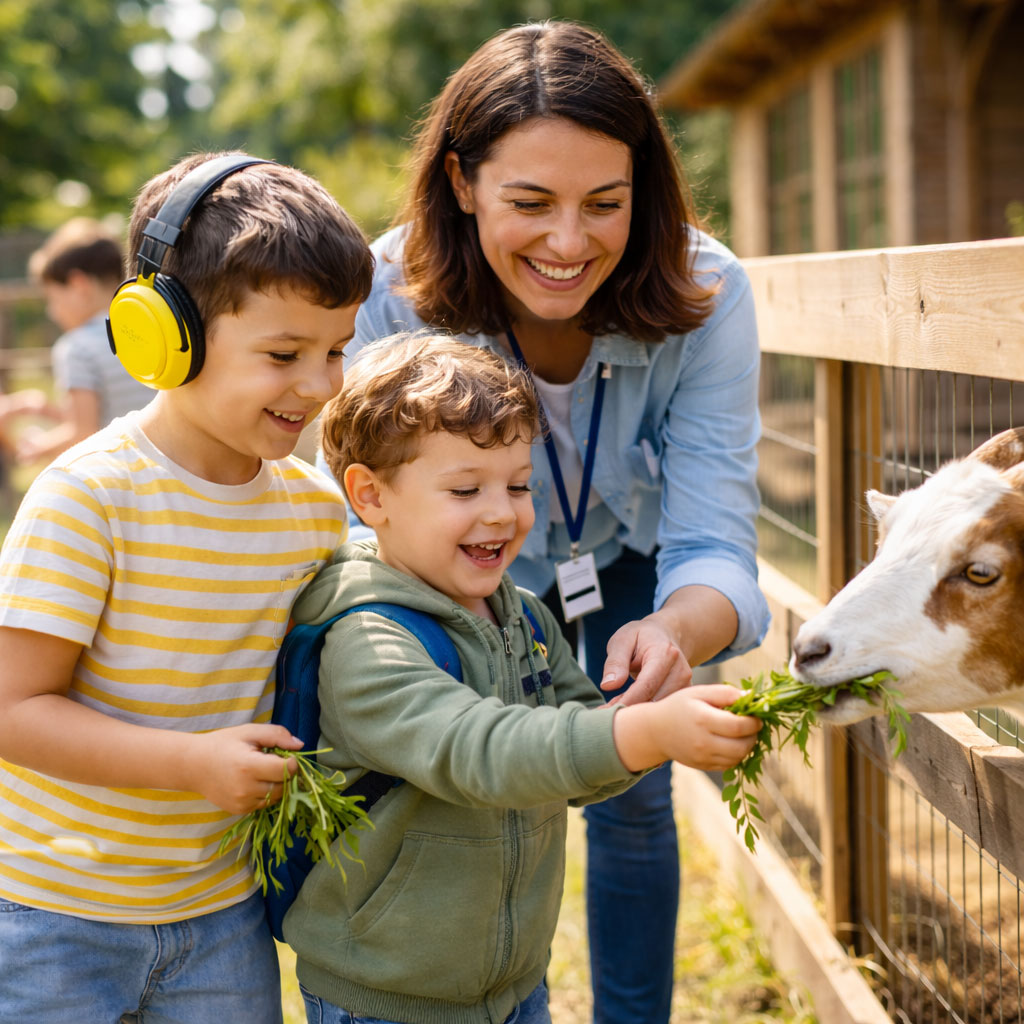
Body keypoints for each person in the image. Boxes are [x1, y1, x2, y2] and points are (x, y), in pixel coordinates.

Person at [341, 19, 771, 1023]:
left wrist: (675, 632)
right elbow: (358, 518)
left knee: (633, 792)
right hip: (442, 573)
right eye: (529, 203)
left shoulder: (710, 290)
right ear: (460, 181)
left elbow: (714, 534)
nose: (569, 243)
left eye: (605, 204)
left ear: (643, 191)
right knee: (467, 795)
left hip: (624, 550)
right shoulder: (385, 296)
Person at [288, 333, 761, 1024]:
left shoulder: (525, 619)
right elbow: (480, 752)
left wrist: (638, 714)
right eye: (464, 489)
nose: (502, 512)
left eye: (518, 485)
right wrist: (643, 732)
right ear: (370, 496)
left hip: (513, 988)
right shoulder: (367, 636)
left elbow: (574, 754)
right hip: (387, 997)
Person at [0, 151, 373, 1022]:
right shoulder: (89, 497)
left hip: (219, 917)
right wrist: (189, 764)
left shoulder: (314, 511)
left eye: (335, 351)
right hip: (53, 913)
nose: (319, 386)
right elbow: (13, 709)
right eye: (284, 353)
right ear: (164, 335)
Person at [3, 217, 154, 465]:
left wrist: (37, 447)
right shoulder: (147, 328)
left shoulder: (76, 347)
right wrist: (45, 409)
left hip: (123, 475)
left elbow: (83, 432)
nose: (52, 312)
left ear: (78, 285)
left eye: (52, 298)